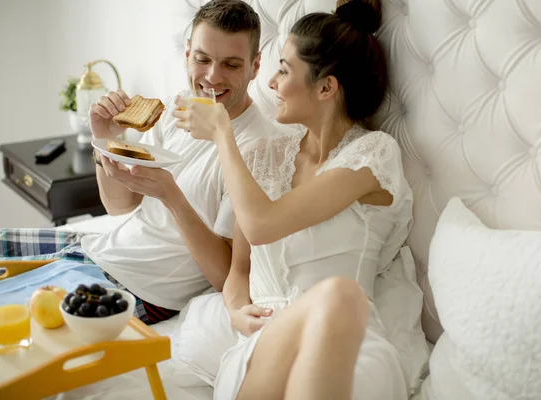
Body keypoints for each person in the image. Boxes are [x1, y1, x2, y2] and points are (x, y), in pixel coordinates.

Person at [173, 0, 414, 398]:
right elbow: (239, 269)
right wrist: (234, 309)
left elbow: (263, 223)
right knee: (335, 299)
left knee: (339, 297)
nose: (270, 83)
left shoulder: (372, 155)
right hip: (266, 345)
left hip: (346, 343)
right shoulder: (262, 158)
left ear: (325, 87)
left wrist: (221, 133)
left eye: (283, 70)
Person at [0, 0, 276, 326]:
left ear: (255, 66)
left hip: (136, 287)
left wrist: (172, 196)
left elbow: (227, 275)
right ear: (187, 55)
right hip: (99, 251)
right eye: (203, 59)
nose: (212, 77)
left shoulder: (257, 148)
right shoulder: (175, 109)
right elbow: (120, 206)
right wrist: (103, 140)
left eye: (231, 64)